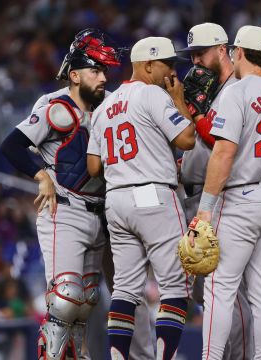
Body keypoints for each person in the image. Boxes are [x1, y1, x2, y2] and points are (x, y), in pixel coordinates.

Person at [1, 28, 123, 360]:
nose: (102, 77)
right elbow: (12, 145)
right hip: (64, 210)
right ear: (74, 74)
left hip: (100, 214)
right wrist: (40, 176)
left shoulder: (111, 105)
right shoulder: (54, 105)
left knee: (84, 304)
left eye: (104, 71)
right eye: (95, 70)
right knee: (65, 297)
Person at [192, 26, 261, 360]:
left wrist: (205, 208)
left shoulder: (237, 92)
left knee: (219, 287)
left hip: (242, 197)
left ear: (238, 52)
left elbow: (224, 152)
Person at [87, 36, 195, 360]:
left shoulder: (105, 105)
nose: (172, 72)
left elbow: (94, 166)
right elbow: (188, 139)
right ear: (147, 65)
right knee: (176, 287)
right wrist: (178, 100)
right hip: (153, 197)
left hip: (117, 202)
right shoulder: (152, 94)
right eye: (168, 64)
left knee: (125, 290)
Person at [177, 22, 253, 359]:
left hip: (220, 199)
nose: (195, 61)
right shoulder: (210, 89)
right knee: (205, 293)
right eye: (191, 54)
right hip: (193, 196)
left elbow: (222, 144)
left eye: (201, 53)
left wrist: (192, 110)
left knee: (225, 291)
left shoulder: (238, 88)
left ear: (223, 50)